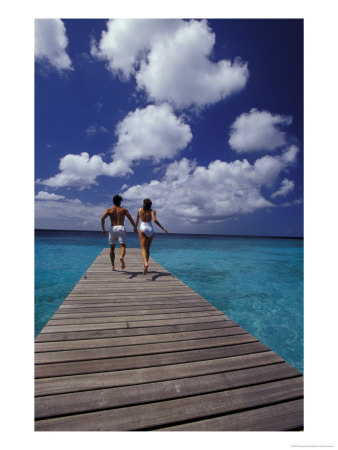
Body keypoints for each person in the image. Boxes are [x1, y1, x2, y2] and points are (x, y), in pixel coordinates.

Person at [101, 195, 137, 271]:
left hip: (112, 228)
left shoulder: (109, 210)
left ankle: (113, 266)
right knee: (122, 246)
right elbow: (131, 219)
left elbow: (102, 218)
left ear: (113, 202)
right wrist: (135, 228)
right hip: (121, 227)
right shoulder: (124, 210)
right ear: (120, 202)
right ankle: (121, 257)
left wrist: (103, 229)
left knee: (112, 248)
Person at [135, 198, 168, 275]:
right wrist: (163, 228)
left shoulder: (139, 210)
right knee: (147, 249)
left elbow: (137, 220)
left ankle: (145, 263)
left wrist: (135, 228)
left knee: (143, 249)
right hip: (151, 230)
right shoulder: (152, 211)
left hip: (143, 229)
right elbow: (155, 220)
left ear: (143, 204)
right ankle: (145, 265)